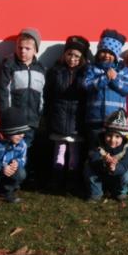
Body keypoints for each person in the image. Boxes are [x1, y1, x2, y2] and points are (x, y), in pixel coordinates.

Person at [44, 35, 90, 192]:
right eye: (69, 54)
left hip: (77, 119)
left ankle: (72, 180)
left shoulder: (85, 73)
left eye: (77, 56)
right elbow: (49, 94)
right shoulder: (56, 71)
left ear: (83, 58)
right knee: (60, 151)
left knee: (74, 153)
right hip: (59, 118)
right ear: (64, 54)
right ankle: (56, 179)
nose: (72, 59)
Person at [82, 29, 128, 146]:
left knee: (115, 150)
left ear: (116, 55)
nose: (106, 55)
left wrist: (115, 79)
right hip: (95, 120)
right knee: (95, 149)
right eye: (103, 51)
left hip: (116, 122)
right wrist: (105, 78)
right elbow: (86, 85)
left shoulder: (122, 69)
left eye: (111, 53)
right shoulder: (92, 68)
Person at [0, 28, 45, 148]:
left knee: (27, 151)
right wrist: (5, 116)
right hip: (14, 123)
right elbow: (2, 92)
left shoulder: (40, 69)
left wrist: (40, 115)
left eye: (27, 49)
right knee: (13, 152)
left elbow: (42, 95)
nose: (23, 51)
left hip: (32, 121)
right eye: (20, 47)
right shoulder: (9, 65)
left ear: (35, 50)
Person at [84, 109, 128, 202]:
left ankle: (120, 192)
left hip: (118, 173)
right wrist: (103, 162)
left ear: (123, 137)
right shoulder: (98, 142)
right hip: (100, 171)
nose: (112, 140)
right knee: (88, 167)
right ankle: (96, 193)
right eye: (109, 135)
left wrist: (114, 167)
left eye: (117, 136)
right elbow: (93, 158)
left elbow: (125, 165)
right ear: (104, 134)